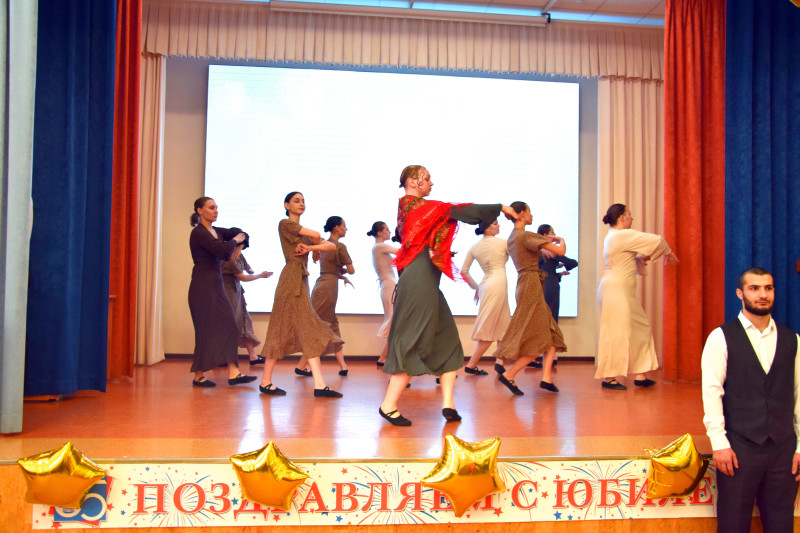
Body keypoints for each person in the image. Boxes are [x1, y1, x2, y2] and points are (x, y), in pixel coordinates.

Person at [378, 164, 518, 426]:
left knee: (448, 341)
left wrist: (439, 250)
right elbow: (456, 210)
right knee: (412, 341)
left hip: (426, 280)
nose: (432, 183)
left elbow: (427, 235)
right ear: (413, 181)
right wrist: (501, 207)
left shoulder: (415, 208)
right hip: (419, 281)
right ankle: (388, 405)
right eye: (427, 179)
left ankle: (448, 405)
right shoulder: (413, 205)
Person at [701, 267, 800, 533]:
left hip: (783, 450)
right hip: (738, 449)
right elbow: (711, 392)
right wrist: (719, 443)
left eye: (768, 288)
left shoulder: (792, 339)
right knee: (733, 524)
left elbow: (799, 395)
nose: (762, 294)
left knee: (782, 525)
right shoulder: (720, 337)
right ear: (740, 293)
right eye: (754, 288)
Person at [258, 192, 344, 398]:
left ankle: (316, 384)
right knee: (284, 329)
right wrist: (313, 245)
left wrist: (311, 247)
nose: (301, 204)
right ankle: (269, 381)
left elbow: (331, 246)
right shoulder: (285, 224)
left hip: (300, 279)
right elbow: (316, 233)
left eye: (303, 201)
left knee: (307, 330)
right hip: (290, 280)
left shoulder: (303, 235)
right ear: (286, 205)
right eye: (297, 201)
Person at [595, 203, 678, 390]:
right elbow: (657, 241)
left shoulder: (614, 237)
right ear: (622, 218)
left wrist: (643, 258)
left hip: (618, 290)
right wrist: (669, 253)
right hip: (616, 291)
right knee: (616, 332)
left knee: (640, 328)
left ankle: (641, 374)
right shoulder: (621, 235)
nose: (632, 218)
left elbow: (627, 259)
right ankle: (609, 377)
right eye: (629, 214)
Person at [494, 201, 566, 394]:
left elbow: (530, 252)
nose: (532, 215)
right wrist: (559, 239)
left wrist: (542, 248)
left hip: (525, 283)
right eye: (530, 212)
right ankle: (510, 374)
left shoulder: (513, 237)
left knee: (551, 334)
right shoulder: (525, 235)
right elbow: (561, 251)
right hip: (531, 285)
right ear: (522, 214)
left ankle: (546, 378)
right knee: (540, 338)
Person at [187, 196, 257, 388]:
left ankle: (234, 373)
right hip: (202, 285)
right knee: (205, 330)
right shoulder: (199, 233)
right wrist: (234, 241)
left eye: (216, 207)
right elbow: (222, 251)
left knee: (230, 325)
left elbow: (243, 234)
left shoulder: (217, 231)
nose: (216, 210)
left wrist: (239, 246)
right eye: (211, 207)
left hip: (216, 283)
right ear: (200, 210)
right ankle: (198, 376)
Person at [295, 216, 353, 376]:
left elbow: (329, 268)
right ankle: (301, 365)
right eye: (344, 226)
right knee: (320, 324)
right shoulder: (339, 246)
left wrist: (339, 272)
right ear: (336, 228)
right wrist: (343, 270)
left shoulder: (322, 245)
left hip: (322, 284)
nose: (346, 229)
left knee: (331, 323)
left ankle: (343, 366)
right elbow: (351, 270)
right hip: (329, 287)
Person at [461, 218, 511, 376]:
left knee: (503, 323)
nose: (499, 225)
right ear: (487, 228)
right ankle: (471, 365)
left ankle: (499, 362)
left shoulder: (475, 246)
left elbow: (463, 271)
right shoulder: (503, 242)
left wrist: (476, 288)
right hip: (498, 282)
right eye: (495, 223)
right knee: (489, 327)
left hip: (486, 284)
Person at [528, 223, 578, 368]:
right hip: (550, 287)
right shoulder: (550, 250)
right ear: (545, 235)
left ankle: (535, 355)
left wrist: (558, 270)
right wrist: (560, 240)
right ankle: (550, 356)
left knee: (540, 321)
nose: (554, 235)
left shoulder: (537, 250)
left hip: (539, 286)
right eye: (552, 233)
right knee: (552, 322)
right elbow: (572, 263)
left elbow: (544, 269)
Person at [221, 253, 272, 366]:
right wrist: (260, 275)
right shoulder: (228, 256)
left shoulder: (239, 254)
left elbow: (249, 270)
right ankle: (224, 358)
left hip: (237, 292)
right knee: (230, 325)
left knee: (245, 322)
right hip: (229, 293)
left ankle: (253, 356)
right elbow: (242, 277)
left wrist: (253, 271)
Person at [367, 221, 399, 367]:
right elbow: (401, 252)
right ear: (379, 232)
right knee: (393, 320)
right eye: (387, 230)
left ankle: (385, 357)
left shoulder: (379, 247)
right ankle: (384, 358)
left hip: (389, 285)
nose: (389, 232)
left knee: (394, 320)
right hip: (389, 286)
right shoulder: (380, 247)